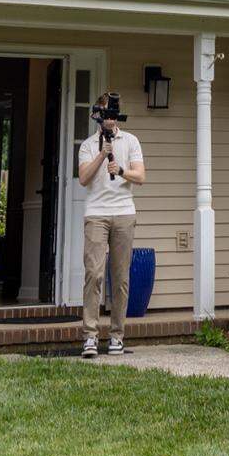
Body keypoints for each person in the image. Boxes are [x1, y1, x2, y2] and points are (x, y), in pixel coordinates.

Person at [77, 93, 145, 357]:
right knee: (93, 274)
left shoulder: (130, 141)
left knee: (120, 278)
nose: (111, 117)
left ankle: (117, 336)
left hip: (124, 213)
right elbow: (83, 178)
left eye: (114, 112)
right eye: (106, 112)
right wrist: (102, 155)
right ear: (98, 114)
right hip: (96, 214)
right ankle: (90, 337)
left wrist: (121, 171)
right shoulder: (87, 145)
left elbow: (140, 176)